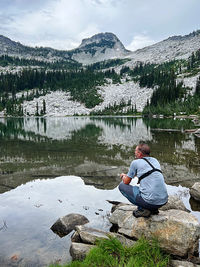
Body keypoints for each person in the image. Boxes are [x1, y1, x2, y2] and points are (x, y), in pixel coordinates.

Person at [119, 143, 168, 218]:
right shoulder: (155, 160)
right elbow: (147, 173)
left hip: (150, 202)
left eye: (135, 151)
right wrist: (131, 175)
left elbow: (126, 182)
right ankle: (153, 209)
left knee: (122, 186)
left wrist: (123, 176)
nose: (134, 152)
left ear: (139, 153)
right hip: (163, 201)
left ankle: (143, 209)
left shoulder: (135, 163)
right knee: (144, 188)